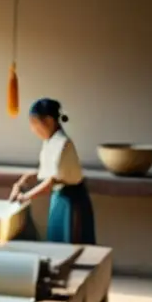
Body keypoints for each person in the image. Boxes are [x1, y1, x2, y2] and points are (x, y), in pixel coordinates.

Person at [9, 98, 96, 244]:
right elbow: (44, 172)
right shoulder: (49, 141)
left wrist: (26, 196)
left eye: (35, 123)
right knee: (56, 242)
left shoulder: (63, 143)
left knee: (71, 245)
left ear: (49, 121)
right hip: (59, 197)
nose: (33, 129)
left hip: (71, 200)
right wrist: (21, 182)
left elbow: (50, 181)